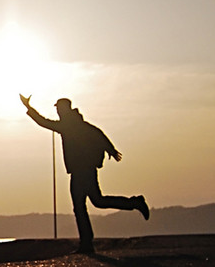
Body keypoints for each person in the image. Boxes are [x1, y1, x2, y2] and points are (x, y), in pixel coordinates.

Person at [21, 94, 149, 253]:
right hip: (83, 171)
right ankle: (131, 206)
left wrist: (28, 108)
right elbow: (98, 134)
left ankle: (88, 242)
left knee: (84, 205)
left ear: (64, 110)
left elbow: (43, 122)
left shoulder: (68, 126)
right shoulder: (78, 124)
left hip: (82, 172)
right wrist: (110, 149)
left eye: (59, 109)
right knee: (96, 201)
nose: (58, 112)